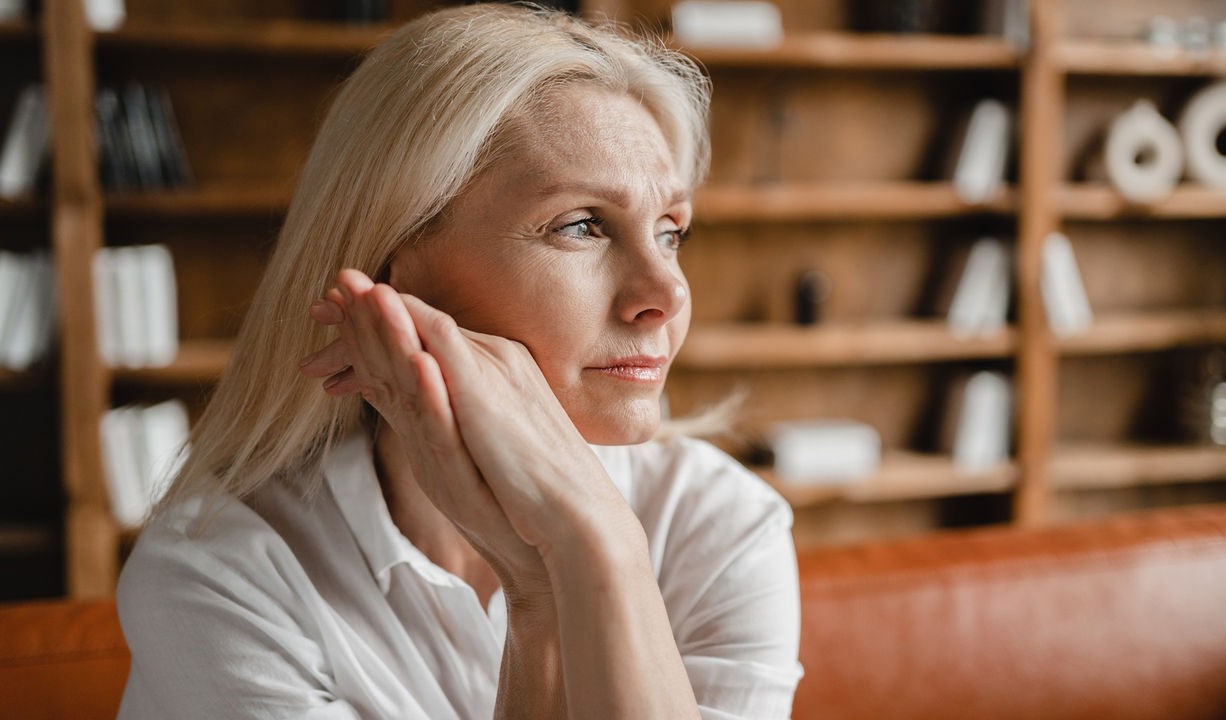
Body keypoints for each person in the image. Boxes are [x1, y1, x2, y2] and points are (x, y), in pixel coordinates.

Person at [115, 4, 802, 718]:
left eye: (670, 232)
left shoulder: (720, 525)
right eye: (581, 225)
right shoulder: (219, 575)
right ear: (394, 276)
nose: (668, 292)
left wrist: (601, 549)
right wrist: (552, 585)